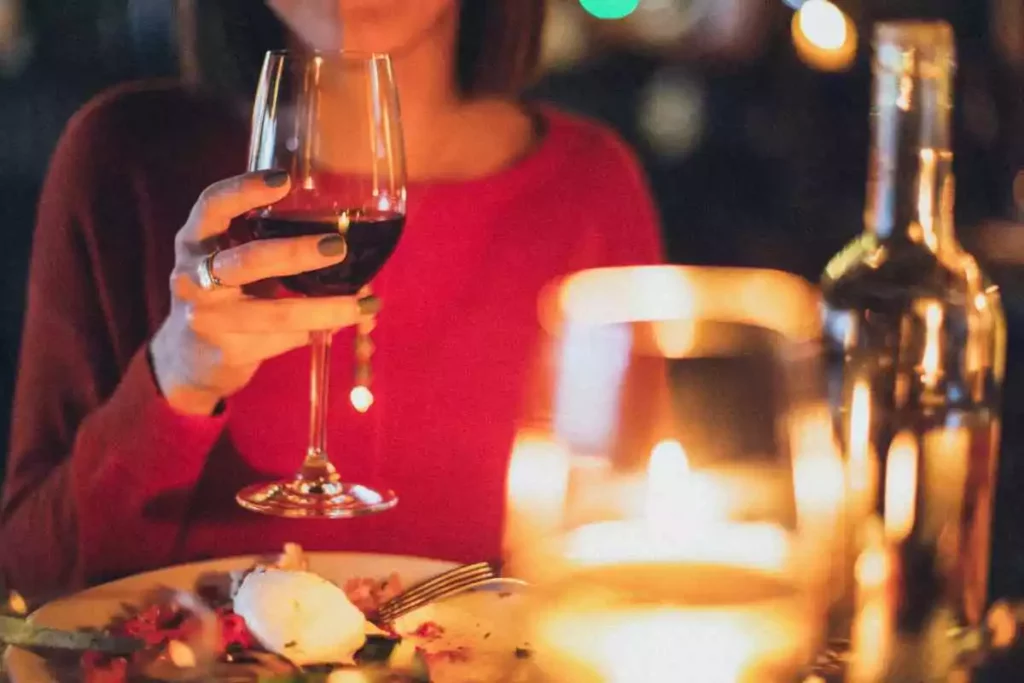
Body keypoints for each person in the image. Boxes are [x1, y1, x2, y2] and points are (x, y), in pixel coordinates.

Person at [0, 0, 663, 600]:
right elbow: (29, 583)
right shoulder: (121, 159)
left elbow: (629, 578)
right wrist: (173, 381)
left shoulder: (590, 191)